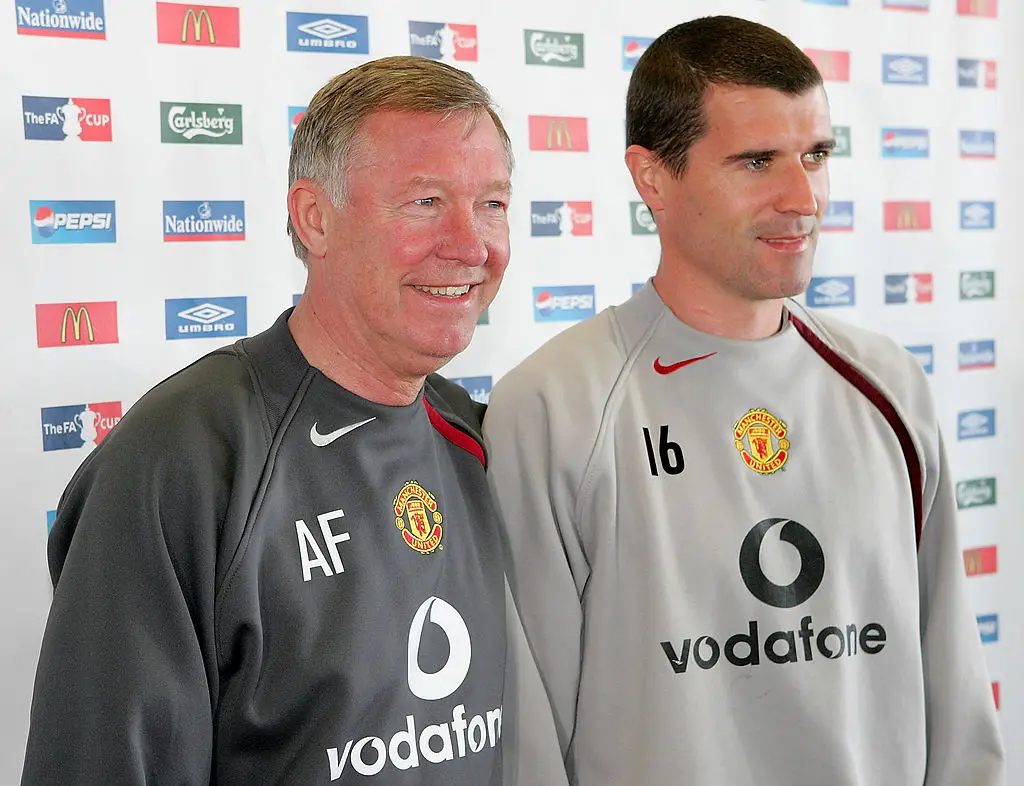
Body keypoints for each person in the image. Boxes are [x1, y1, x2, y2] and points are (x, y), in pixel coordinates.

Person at [485, 16, 1005, 786]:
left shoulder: (888, 384)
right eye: (757, 161)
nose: (803, 196)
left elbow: (957, 703)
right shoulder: (554, 408)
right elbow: (526, 745)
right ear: (652, 177)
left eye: (816, 156)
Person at [23, 56, 513, 785]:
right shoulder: (182, 459)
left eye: (493, 205)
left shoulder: (483, 437)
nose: (472, 246)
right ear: (315, 218)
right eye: (425, 202)